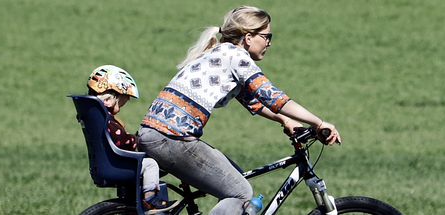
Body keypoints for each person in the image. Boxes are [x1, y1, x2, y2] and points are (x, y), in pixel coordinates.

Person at [136, 5, 341, 215]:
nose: (269, 43)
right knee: (240, 193)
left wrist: (285, 121)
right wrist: (319, 122)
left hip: (155, 134)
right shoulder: (236, 56)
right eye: (267, 36)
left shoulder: (218, 53)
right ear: (249, 37)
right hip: (172, 139)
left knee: (237, 176)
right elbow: (272, 97)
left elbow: (254, 101)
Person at [85, 65, 175, 212]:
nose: (119, 108)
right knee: (151, 164)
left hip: (108, 162)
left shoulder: (97, 117)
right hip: (117, 164)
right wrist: (136, 140)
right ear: (108, 99)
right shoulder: (108, 122)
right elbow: (122, 141)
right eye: (120, 103)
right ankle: (151, 200)